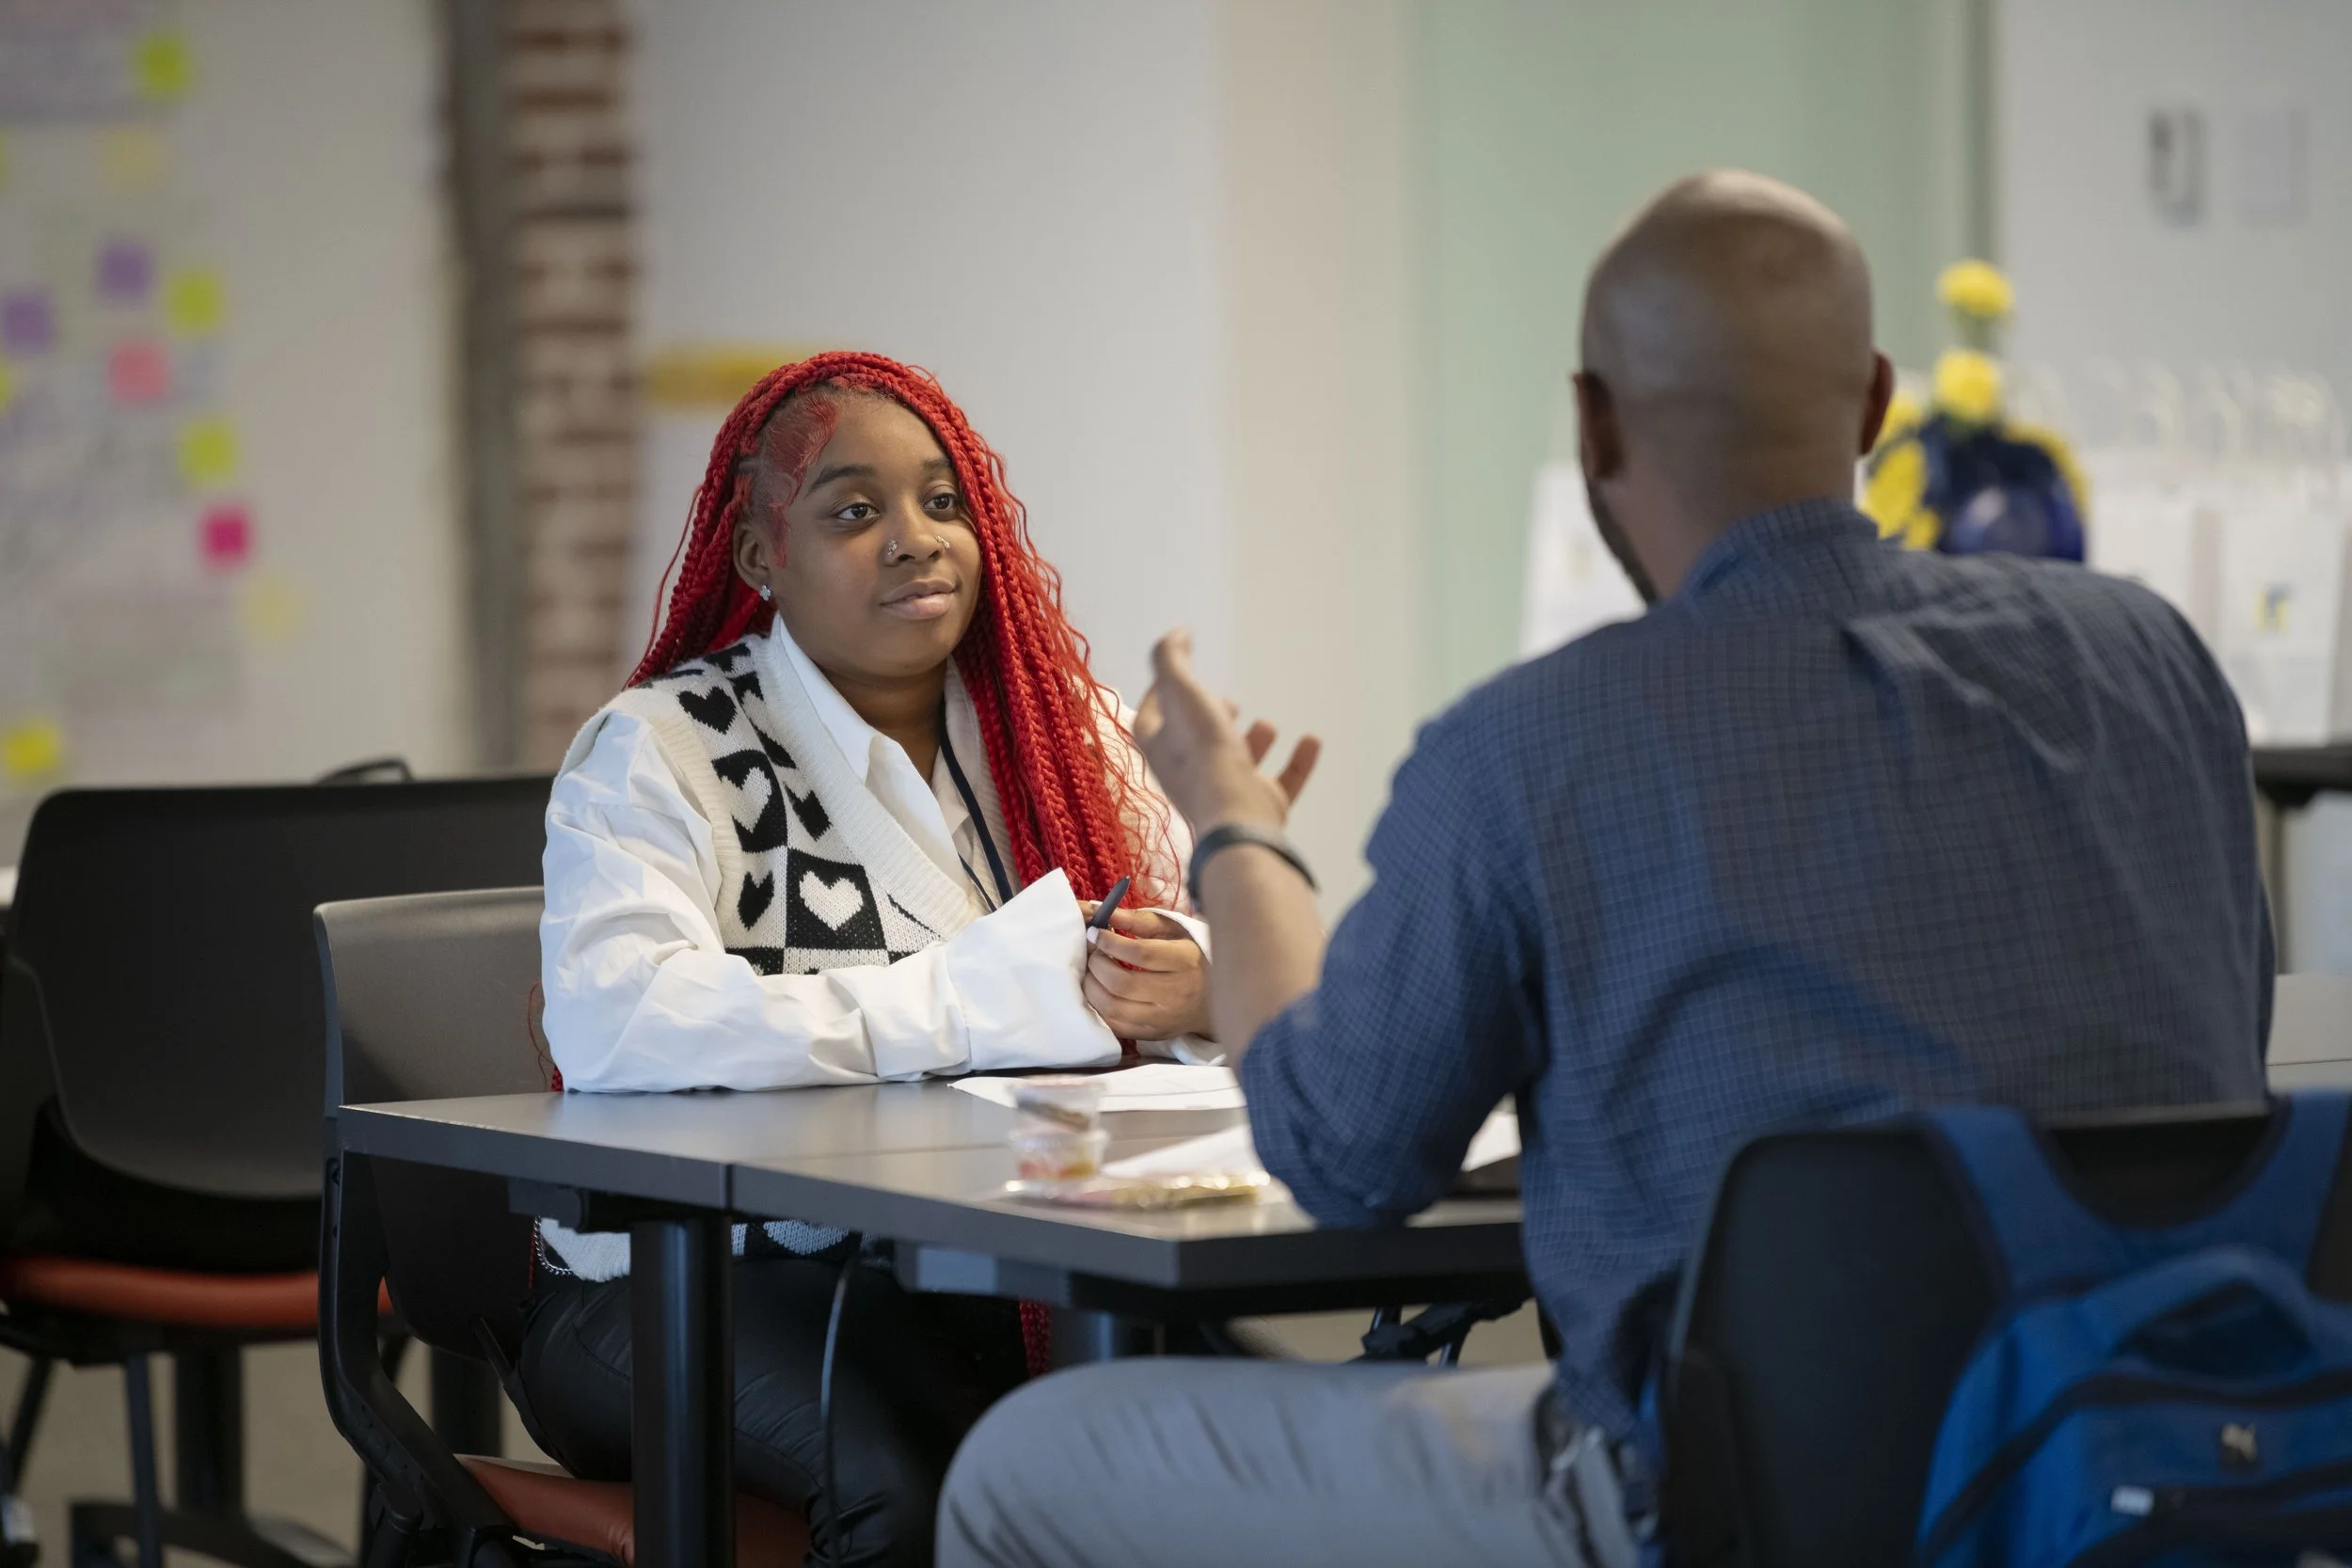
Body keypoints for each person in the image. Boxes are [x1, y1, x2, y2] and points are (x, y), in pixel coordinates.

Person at [935, 171, 2274, 1567]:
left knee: (1025, 1468)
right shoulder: (2154, 661)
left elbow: (1340, 1151)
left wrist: (1230, 821)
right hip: (2152, 1480)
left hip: (1728, 1508)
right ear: (1878, 403)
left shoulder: (1533, 747)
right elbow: (2221, 1050)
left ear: (1593, 425)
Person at [524, 351, 1216, 1567]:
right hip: (679, 1284)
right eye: (855, 511)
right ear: (761, 555)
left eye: (944, 502)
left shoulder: (1062, 737)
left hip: (990, 1261)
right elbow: (621, 1023)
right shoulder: (660, 749)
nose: (918, 539)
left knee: (1226, 1448)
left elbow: (1197, 929)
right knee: (921, 1491)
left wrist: (1199, 976)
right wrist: (978, 1000)